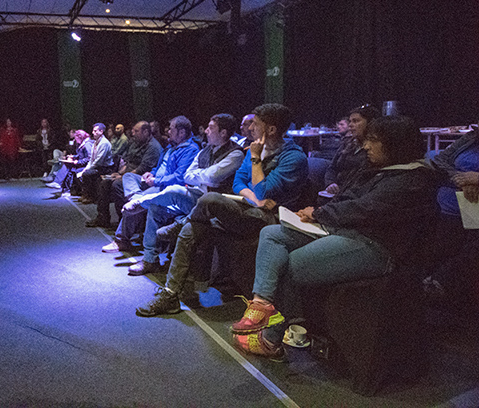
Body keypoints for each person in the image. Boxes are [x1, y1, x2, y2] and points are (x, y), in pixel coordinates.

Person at [229, 116, 437, 358]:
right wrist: (317, 213)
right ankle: (262, 304)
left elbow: (365, 209)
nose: (366, 146)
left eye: (373, 140)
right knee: (272, 233)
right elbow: (347, 198)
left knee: (289, 263)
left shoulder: (414, 179)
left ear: (396, 143)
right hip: (344, 230)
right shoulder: (380, 168)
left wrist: (319, 214)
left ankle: (270, 339)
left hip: (376, 246)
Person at [135, 103, 308, 312]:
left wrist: (255, 160)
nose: (250, 128)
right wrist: (255, 199)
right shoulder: (254, 149)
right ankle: (170, 294)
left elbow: (264, 190)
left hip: (269, 218)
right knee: (193, 228)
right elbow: (238, 182)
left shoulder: (293, 157)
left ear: (271, 129)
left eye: (255, 124)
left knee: (210, 199)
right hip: (250, 208)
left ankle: (183, 221)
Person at [103, 114, 244, 262]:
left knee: (173, 190)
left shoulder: (233, 153)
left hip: (209, 202)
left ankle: (138, 203)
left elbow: (208, 177)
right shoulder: (200, 149)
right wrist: (152, 174)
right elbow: (188, 175)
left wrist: (159, 181)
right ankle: (149, 259)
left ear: (223, 132)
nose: (206, 131)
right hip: (192, 193)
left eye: (211, 127)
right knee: (144, 196)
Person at [114, 116, 200, 275]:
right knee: (128, 177)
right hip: (155, 182)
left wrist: (156, 181)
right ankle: (137, 199)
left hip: (167, 188)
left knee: (153, 207)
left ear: (181, 132)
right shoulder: (170, 147)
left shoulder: (191, 149)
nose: (168, 131)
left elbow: (180, 177)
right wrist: (151, 174)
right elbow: (159, 167)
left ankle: (147, 258)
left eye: (171, 129)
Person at [425, 122, 479, 299]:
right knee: (440, 246)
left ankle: (440, 282)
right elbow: (439, 161)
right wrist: (461, 179)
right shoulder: (471, 137)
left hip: (474, 207)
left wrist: (477, 179)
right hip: (451, 200)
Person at [87, 121, 162, 228]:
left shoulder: (153, 147)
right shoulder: (136, 143)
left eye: (136, 131)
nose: (133, 133)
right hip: (129, 174)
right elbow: (128, 163)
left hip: (142, 178)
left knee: (117, 184)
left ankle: (125, 222)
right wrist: (118, 173)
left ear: (145, 132)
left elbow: (142, 169)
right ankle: (103, 218)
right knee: (104, 182)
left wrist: (122, 176)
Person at [324, 104, 380, 195]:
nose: (350, 125)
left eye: (355, 121)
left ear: (370, 124)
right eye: (350, 121)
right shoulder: (348, 143)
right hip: (335, 193)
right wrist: (330, 183)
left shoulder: (376, 150)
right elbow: (332, 168)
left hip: (353, 196)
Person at [46, 130, 91, 195]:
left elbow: (88, 159)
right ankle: (61, 185)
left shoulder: (87, 145)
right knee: (67, 164)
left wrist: (77, 162)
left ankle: (60, 184)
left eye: (76, 138)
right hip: (81, 163)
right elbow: (80, 155)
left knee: (69, 168)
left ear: (80, 137)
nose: (75, 140)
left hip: (85, 165)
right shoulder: (82, 144)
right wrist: (73, 157)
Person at [77, 123, 114, 202]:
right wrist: (86, 168)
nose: (93, 132)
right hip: (97, 166)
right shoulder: (95, 142)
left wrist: (87, 170)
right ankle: (86, 194)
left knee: (87, 174)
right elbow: (91, 159)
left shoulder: (104, 143)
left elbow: (98, 161)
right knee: (80, 171)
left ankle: (91, 196)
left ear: (101, 131)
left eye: (95, 131)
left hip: (105, 168)